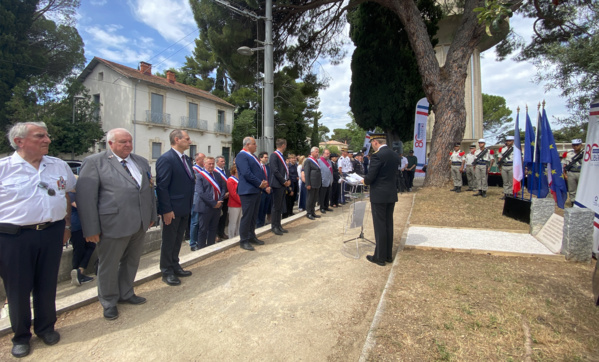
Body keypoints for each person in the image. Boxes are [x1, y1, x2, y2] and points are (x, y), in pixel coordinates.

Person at [0, 122, 76, 358]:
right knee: (18, 288)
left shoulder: (58, 165)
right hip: (14, 237)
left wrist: (65, 224)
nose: (47, 140)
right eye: (40, 136)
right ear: (19, 141)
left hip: (51, 232)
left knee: (47, 283)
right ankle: (21, 336)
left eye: (47, 136)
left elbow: (66, 194)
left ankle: (46, 327)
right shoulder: (4, 168)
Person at [77, 127, 157, 321]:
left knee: (132, 261)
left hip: (139, 223)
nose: (128, 145)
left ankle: (126, 293)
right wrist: (91, 228)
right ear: (110, 143)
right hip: (112, 224)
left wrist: (152, 215)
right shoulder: (95, 163)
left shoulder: (140, 161)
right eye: (123, 142)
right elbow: (86, 198)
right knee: (109, 265)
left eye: (129, 141)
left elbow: (148, 190)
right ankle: (108, 300)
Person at [156, 129, 195, 286]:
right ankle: (166, 271)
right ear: (177, 140)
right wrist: (166, 210)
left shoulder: (186, 159)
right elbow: (162, 187)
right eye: (187, 138)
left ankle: (175, 264)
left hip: (185, 206)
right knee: (169, 240)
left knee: (178, 239)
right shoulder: (166, 159)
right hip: (172, 209)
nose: (189, 141)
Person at [363, 134, 399, 266]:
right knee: (388, 224)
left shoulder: (377, 156)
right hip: (390, 193)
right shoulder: (394, 155)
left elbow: (371, 176)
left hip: (379, 194)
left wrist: (364, 181)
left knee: (380, 226)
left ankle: (379, 257)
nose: (372, 144)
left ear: (376, 142)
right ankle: (388, 255)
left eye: (372, 142)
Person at [236, 137, 270, 251]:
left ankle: (251, 236)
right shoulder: (241, 155)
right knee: (247, 216)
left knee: (253, 216)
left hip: (256, 189)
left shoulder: (253, 156)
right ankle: (243, 240)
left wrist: (263, 182)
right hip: (247, 190)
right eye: (254, 144)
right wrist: (259, 183)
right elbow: (246, 173)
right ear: (247, 144)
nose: (256, 146)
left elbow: (258, 171)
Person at [68, 179, 95, 286]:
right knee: (78, 249)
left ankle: (80, 270)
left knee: (90, 245)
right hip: (76, 225)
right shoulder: (70, 194)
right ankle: (76, 271)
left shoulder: (78, 194)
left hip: (83, 224)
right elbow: (78, 206)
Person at [194, 157, 225, 248]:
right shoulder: (200, 176)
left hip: (217, 206)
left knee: (213, 228)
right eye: (209, 164)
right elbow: (201, 192)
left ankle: (211, 247)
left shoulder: (217, 175)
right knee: (203, 229)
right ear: (204, 164)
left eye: (212, 163)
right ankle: (201, 248)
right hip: (205, 207)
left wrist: (220, 200)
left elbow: (223, 187)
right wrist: (213, 203)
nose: (211, 165)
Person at [269, 139, 291, 235]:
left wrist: (287, 179)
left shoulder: (281, 155)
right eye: (285, 145)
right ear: (283, 145)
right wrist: (283, 181)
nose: (286, 147)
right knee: (276, 206)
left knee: (280, 206)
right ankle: (274, 226)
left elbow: (284, 170)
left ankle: (278, 225)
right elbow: (275, 170)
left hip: (282, 184)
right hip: (277, 184)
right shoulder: (274, 155)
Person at [190, 153, 206, 251]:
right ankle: (193, 243)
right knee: (195, 221)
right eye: (203, 159)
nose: (204, 161)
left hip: (204, 198)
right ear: (198, 160)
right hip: (196, 198)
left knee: (202, 221)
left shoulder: (203, 170)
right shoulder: (194, 170)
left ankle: (201, 241)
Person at [562, 139, 584, 204]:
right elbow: (564, 165)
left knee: (582, 189)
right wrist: (565, 174)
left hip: (581, 173)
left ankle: (581, 203)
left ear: (581, 145)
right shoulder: (568, 154)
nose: (575, 146)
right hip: (571, 173)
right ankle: (573, 202)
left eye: (577, 145)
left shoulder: (585, 153)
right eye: (574, 145)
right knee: (572, 190)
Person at [304, 147, 322, 220]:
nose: (317, 153)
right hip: (311, 183)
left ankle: (313, 212)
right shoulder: (308, 161)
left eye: (318, 152)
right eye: (316, 152)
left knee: (314, 199)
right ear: (312, 152)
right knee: (310, 198)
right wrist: (307, 183)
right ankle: (308, 213)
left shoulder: (316, 161)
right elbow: (307, 173)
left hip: (317, 183)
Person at [214, 155, 230, 241]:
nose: (223, 163)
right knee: (217, 216)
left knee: (224, 216)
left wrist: (229, 193)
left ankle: (222, 232)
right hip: (219, 197)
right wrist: (222, 194)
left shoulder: (227, 171)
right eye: (221, 161)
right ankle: (216, 234)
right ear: (217, 163)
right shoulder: (215, 172)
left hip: (227, 197)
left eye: (224, 161)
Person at [256, 152, 272, 227]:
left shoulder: (268, 168)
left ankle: (262, 223)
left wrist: (269, 187)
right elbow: (258, 179)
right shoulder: (258, 167)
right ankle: (259, 225)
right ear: (260, 158)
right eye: (265, 157)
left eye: (267, 157)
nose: (266, 159)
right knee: (260, 209)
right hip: (261, 191)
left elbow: (270, 178)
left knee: (265, 209)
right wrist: (264, 188)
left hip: (268, 191)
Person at [497, 136, 515, 200]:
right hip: (504, 166)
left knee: (511, 181)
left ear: (513, 141)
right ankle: (506, 194)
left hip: (511, 165)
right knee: (505, 181)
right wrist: (499, 166)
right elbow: (500, 158)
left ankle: (510, 194)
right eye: (507, 141)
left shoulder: (515, 149)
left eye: (510, 141)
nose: (508, 142)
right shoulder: (503, 149)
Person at [227, 165, 242, 238]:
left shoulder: (241, 179)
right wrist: (241, 201)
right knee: (233, 222)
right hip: (234, 204)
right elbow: (233, 193)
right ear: (235, 170)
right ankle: (231, 237)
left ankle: (238, 236)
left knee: (240, 222)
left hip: (241, 204)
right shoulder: (230, 180)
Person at [318, 148, 334, 213]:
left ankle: (326, 206)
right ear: (323, 154)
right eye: (327, 153)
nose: (328, 155)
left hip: (329, 181)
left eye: (329, 154)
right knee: (322, 195)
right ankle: (322, 207)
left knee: (327, 195)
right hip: (323, 180)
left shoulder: (329, 161)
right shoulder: (319, 161)